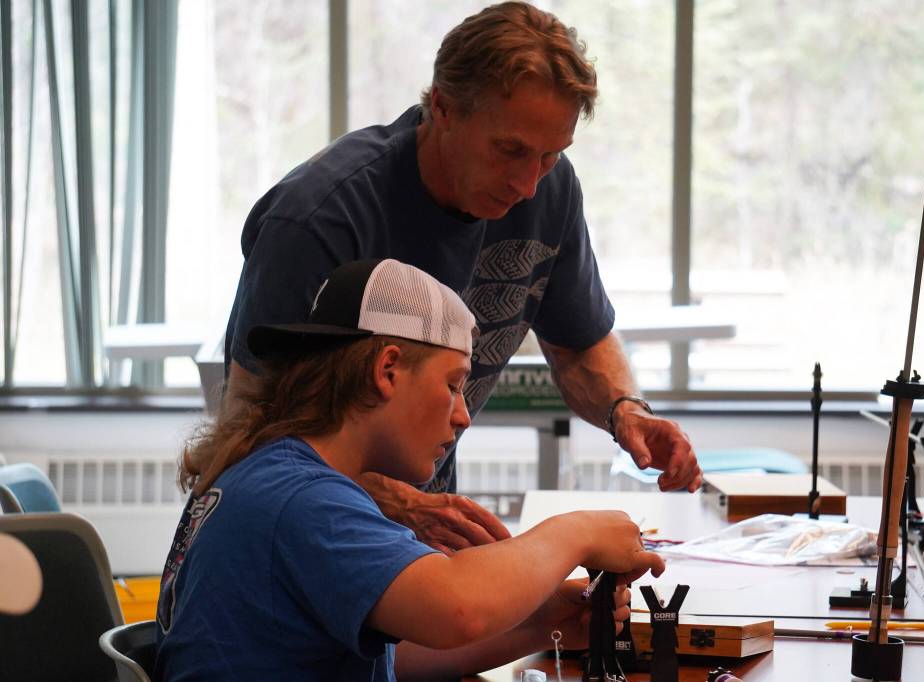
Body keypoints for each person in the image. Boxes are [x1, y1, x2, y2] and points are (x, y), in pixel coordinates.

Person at [223, 1, 702, 554]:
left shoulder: (551, 191)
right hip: (301, 540)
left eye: (550, 155)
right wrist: (401, 503)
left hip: (416, 539)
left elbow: (578, 342)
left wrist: (627, 412)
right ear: (442, 107)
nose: (528, 184)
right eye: (510, 150)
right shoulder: (319, 218)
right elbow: (250, 433)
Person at [158, 259, 664, 681]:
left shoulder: (272, 474)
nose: (464, 414)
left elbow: (390, 654)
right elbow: (456, 608)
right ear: (387, 370)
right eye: (452, 385)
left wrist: (543, 624)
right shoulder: (304, 500)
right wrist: (575, 532)